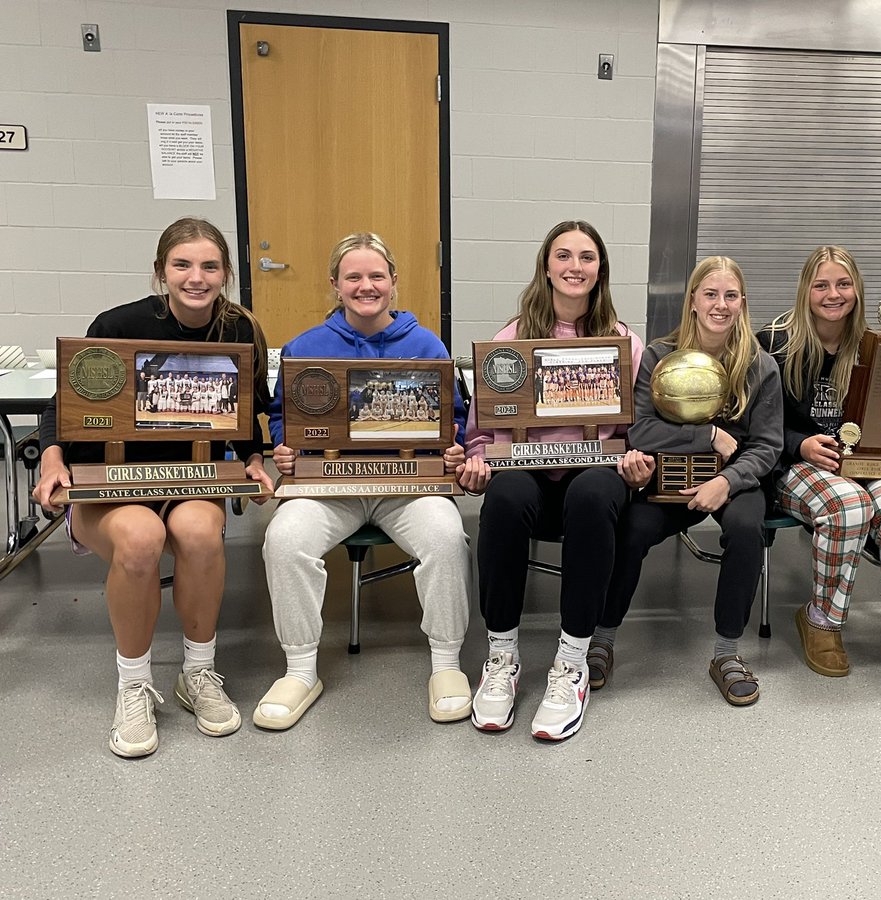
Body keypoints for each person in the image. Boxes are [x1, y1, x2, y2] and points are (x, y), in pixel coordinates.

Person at [32, 217, 274, 758]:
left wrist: (254, 461)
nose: (196, 277)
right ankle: (134, 683)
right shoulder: (118, 325)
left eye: (210, 266)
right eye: (182, 264)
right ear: (161, 271)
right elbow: (61, 408)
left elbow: (248, 413)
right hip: (109, 480)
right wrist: (51, 459)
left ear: (226, 273)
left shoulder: (240, 330)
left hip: (193, 477)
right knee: (140, 538)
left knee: (198, 531)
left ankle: (198, 672)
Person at [255, 233, 472, 729]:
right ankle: (300, 670)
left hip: (408, 486)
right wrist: (285, 445)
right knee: (284, 539)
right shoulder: (306, 347)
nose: (366, 286)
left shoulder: (426, 345)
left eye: (377, 276)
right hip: (332, 486)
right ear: (335, 284)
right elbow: (282, 414)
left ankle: (446, 663)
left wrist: (454, 444)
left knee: (445, 537)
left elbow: (451, 418)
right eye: (353, 276)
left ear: (394, 284)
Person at [458, 220, 651, 741]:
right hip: (529, 472)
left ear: (600, 270)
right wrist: (477, 461)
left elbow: (641, 428)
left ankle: (571, 663)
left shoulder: (625, 344)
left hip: (595, 475)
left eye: (586, 258)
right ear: (546, 266)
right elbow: (480, 430)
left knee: (593, 494)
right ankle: (502, 657)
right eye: (563, 256)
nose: (574, 267)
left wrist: (638, 461)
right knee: (504, 497)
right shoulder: (511, 339)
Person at [592, 256, 783, 706]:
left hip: (731, 482)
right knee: (633, 528)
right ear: (693, 300)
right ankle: (602, 638)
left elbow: (768, 446)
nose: (721, 305)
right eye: (711, 294)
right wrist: (706, 434)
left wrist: (729, 481)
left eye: (730, 296)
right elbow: (640, 431)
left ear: (742, 303)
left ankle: (727, 654)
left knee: (745, 527)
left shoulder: (760, 365)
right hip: (669, 478)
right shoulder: (660, 356)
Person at [758, 246, 881, 692]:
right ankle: (822, 619)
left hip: (863, 461)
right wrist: (801, 444)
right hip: (793, 465)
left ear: (857, 289)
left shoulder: (879, 346)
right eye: (822, 285)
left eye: (843, 284)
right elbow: (754, 425)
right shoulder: (773, 344)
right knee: (849, 506)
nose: (833, 294)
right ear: (805, 290)